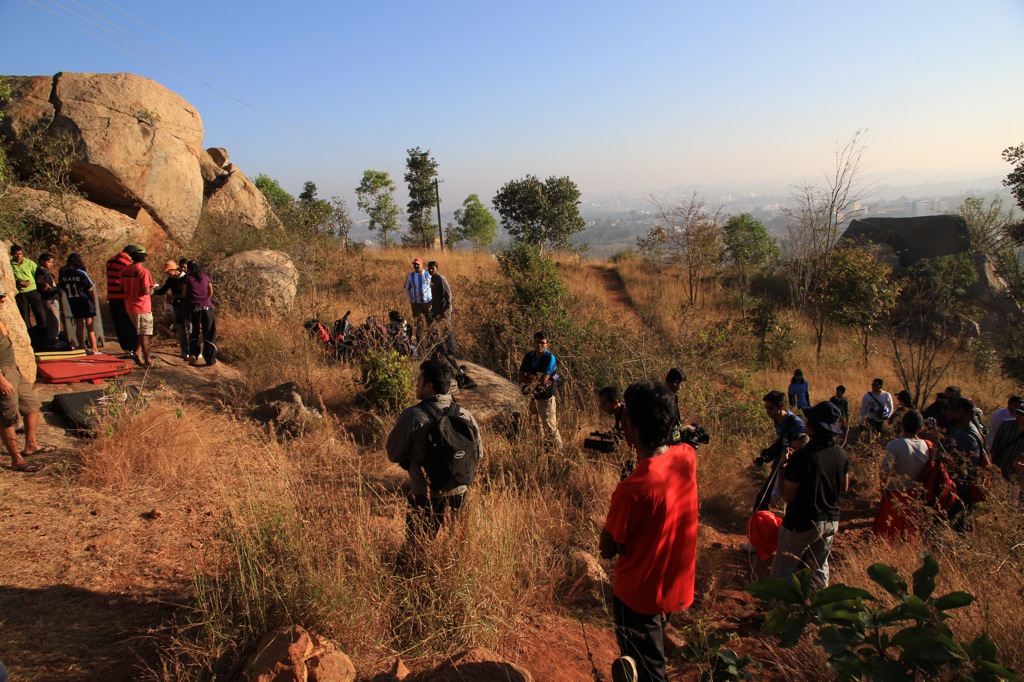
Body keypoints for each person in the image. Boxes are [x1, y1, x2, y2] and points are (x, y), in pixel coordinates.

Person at [600, 381, 698, 682]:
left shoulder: (633, 489)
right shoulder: (685, 457)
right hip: (674, 584)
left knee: (648, 670)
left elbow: (607, 548)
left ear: (631, 425)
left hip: (638, 595)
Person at [386, 358, 482, 533]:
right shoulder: (466, 415)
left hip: (425, 496)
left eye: (419, 381)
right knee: (455, 546)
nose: (416, 385)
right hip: (459, 494)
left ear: (429, 386)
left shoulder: (413, 415)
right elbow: (479, 454)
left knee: (417, 549)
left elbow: (393, 454)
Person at [770, 401, 850, 592]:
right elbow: (844, 487)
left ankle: (781, 613)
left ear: (813, 427)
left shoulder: (802, 457)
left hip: (802, 522)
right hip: (830, 520)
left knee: (783, 569)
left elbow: (788, 497)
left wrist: (782, 468)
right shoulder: (841, 454)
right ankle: (816, 611)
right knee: (819, 568)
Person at [0, 282, 53, 473]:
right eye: (0, 297)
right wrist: (2, 380)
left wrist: (16, 369)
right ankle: (16, 459)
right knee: (7, 417)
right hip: (2, 374)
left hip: (12, 370)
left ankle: (31, 445)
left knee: (32, 406)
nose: (3, 299)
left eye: (3, 296)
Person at [873, 410, 931, 539]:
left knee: (887, 533)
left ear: (902, 425)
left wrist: (883, 488)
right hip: (917, 495)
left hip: (897, 493)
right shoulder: (928, 445)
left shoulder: (894, 445)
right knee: (911, 533)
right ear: (921, 428)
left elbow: (885, 470)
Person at [753, 390, 805, 512]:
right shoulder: (777, 419)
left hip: (791, 464)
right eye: (766, 407)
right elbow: (782, 439)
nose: (767, 411)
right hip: (781, 461)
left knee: (766, 498)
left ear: (782, 407)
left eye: (770, 408)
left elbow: (802, 446)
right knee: (765, 497)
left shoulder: (796, 424)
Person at [939, 396, 985, 532]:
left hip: (960, 491)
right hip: (954, 489)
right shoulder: (959, 429)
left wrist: (933, 454)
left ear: (968, 414)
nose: (950, 413)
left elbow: (951, 461)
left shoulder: (967, 436)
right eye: (950, 410)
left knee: (952, 532)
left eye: (956, 411)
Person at [518, 330, 563, 449]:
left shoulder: (550, 358)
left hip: (546, 396)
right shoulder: (529, 356)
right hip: (531, 395)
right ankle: (542, 450)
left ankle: (559, 451)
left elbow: (553, 377)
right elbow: (520, 376)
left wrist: (530, 376)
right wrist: (535, 379)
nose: (539, 345)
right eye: (537, 342)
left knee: (549, 425)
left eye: (542, 343)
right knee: (535, 425)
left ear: (548, 344)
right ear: (533, 342)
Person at [57, 253, 100, 355]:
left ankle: (82, 347)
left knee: (79, 326)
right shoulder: (81, 273)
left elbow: (62, 288)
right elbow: (90, 289)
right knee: (90, 326)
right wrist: (94, 303)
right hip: (85, 301)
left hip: (73, 302)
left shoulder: (64, 274)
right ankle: (94, 349)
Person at [120, 245, 155, 367]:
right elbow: (146, 291)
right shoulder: (143, 272)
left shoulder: (123, 271)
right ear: (143, 257)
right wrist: (152, 290)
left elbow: (121, 288)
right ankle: (148, 362)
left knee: (139, 332)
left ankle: (137, 353)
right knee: (145, 334)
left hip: (129, 306)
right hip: (142, 306)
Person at [105, 245, 140, 355]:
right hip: (123, 296)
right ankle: (134, 348)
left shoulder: (110, 261)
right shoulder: (125, 263)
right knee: (128, 322)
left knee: (119, 323)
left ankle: (126, 348)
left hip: (112, 296)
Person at [153, 259, 189, 359]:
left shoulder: (186, 278)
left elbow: (188, 293)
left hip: (187, 306)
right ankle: (185, 351)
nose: (168, 274)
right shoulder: (171, 279)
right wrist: (152, 291)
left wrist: (175, 296)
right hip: (177, 306)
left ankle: (193, 350)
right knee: (181, 329)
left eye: (169, 272)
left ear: (174, 269)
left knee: (190, 328)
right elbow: (163, 290)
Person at [183, 260, 217, 366]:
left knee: (195, 331)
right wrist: (205, 299)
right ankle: (210, 359)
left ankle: (193, 354)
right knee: (209, 332)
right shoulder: (206, 277)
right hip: (207, 307)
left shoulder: (187, 278)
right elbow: (210, 291)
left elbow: (184, 294)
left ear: (189, 268)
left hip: (194, 308)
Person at [10, 245, 47, 332]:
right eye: (16, 254)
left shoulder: (30, 263)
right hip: (20, 293)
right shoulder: (10, 265)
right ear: (11, 254)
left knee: (40, 312)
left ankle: (44, 333)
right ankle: (30, 335)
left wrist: (30, 282)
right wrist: (17, 282)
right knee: (24, 315)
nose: (18, 256)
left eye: (20, 254)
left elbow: (38, 276)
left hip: (33, 291)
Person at [426, 260, 456, 357]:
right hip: (435, 310)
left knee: (447, 331)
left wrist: (446, 309)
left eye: (433, 268)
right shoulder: (430, 279)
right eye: (429, 268)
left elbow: (449, 294)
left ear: (436, 269)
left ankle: (451, 352)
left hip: (444, 310)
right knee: (434, 331)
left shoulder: (441, 278)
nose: (431, 270)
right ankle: (439, 351)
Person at [35, 252, 61, 343]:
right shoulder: (41, 271)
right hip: (49, 299)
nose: (51, 264)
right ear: (42, 261)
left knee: (52, 319)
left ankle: (53, 337)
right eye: (49, 262)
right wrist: (48, 288)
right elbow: (40, 281)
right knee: (54, 320)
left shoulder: (45, 271)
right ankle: (54, 338)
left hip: (51, 298)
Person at [404, 257, 432, 343]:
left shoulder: (428, 275)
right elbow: (407, 289)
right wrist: (411, 300)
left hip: (428, 303)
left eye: (418, 264)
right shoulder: (410, 276)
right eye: (414, 264)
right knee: (419, 326)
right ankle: (421, 349)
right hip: (416, 305)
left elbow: (433, 286)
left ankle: (432, 346)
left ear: (422, 265)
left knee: (431, 325)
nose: (416, 266)